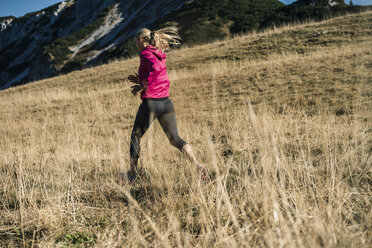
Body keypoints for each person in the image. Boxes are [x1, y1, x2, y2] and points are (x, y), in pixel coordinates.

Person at [122, 27, 206, 183]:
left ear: (140, 40)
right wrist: (140, 82)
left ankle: (132, 175)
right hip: (166, 102)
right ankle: (197, 166)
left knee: (135, 136)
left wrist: (141, 86)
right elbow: (156, 76)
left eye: (136, 42)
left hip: (151, 104)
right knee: (175, 139)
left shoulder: (146, 54)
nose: (136, 45)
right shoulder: (159, 54)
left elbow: (152, 73)